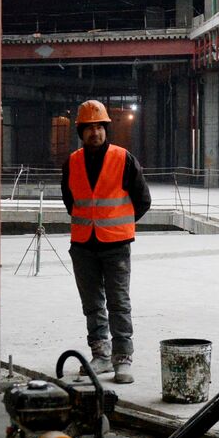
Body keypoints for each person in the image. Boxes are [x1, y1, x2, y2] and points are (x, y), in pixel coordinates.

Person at [60, 99, 151, 384]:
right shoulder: (72, 162)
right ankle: (100, 355)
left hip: (116, 245)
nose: (95, 133)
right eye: (89, 128)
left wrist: (119, 224)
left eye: (99, 127)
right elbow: (70, 201)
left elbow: (143, 200)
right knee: (92, 304)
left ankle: (122, 358)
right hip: (83, 245)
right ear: (81, 132)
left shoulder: (123, 159)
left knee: (118, 303)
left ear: (106, 129)